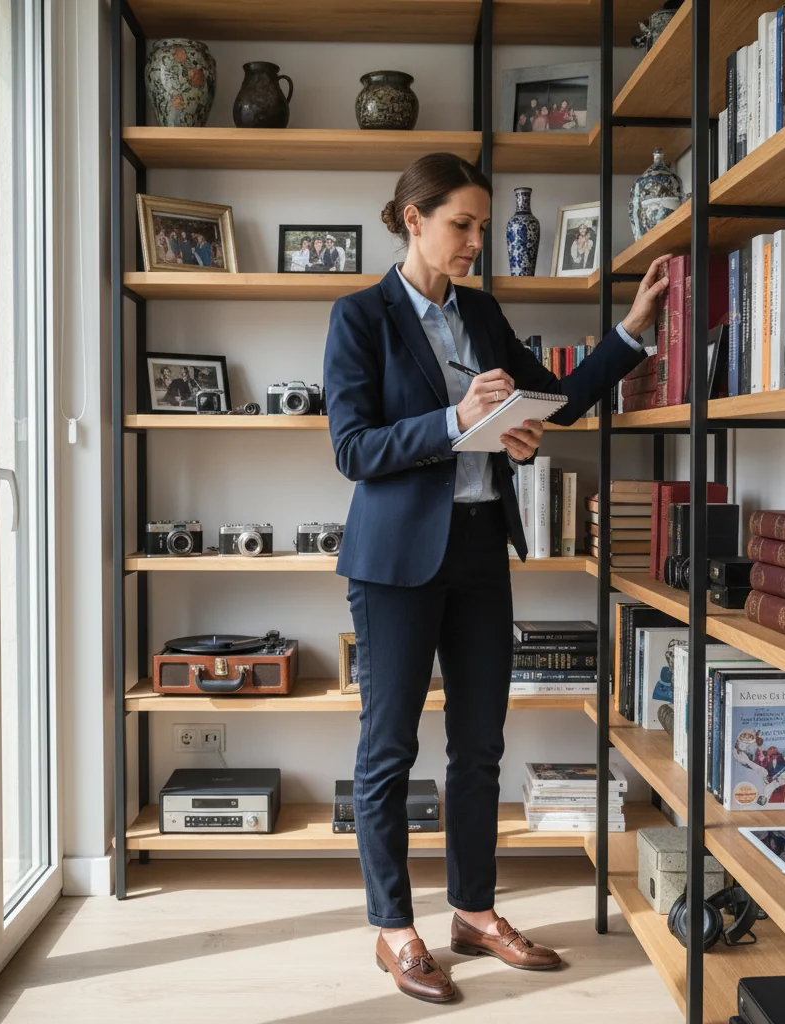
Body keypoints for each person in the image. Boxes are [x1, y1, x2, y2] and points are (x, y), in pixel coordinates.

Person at [323, 152, 669, 1005]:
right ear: (414, 220)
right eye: (462, 224)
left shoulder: (480, 311)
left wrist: (629, 332)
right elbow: (353, 449)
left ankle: (474, 913)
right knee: (388, 749)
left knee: (479, 746)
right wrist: (456, 418)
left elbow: (559, 399)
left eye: (482, 226)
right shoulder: (359, 315)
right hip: (395, 565)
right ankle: (393, 929)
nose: (476, 240)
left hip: (480, 549)